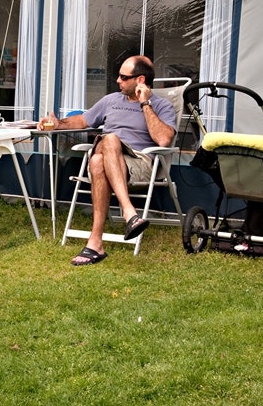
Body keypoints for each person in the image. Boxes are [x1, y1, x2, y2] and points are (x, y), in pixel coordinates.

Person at [38, 56, 176, 266]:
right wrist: (58, 124)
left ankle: (96, 243)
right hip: (112, 156)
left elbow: (164, 139)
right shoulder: (111, 100)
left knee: (98, 159)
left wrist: (145, 103)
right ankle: (126, 215)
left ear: (140, 80)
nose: (118, 81)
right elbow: (83, 120)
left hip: (139, 162)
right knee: (105, 147)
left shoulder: (161, 105)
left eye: (123, 77)